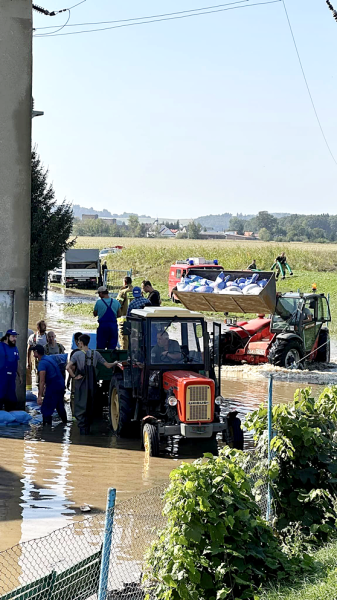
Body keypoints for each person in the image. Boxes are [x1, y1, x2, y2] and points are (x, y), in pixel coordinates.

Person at [66, 334, 117, 434]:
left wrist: (74, 377)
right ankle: (88, 430)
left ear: (80, 343)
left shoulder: (76, 355)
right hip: (92, 383)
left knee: (80, 403)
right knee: (90, 403)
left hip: (81, 382)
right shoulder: (95, 354)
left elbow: (68, 367)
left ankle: (82, 431)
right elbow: (107, 365)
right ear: (88, 342)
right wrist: (115, 362)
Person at [33, 344, 67, 426]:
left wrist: (40, 396)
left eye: (34, 351)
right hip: (61, 384)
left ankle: (46, 431)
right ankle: (65, 425)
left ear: (37, 353)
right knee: (60, 406)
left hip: (53, 386)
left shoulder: (42, 363)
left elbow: (42, 381)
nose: (33, 353)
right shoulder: (49, 358)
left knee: (46, 409)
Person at [0, 330, 22, 411]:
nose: (15, 339)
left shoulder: (15, 348)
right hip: (1, 379)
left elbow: (17, 364)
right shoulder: (0, 346)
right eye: (13, 337)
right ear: (7, 337)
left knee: (11, 402)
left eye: (15, 337)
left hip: (11, 380)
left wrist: (20, 376)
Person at [117, 276, 133, 350]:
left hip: (124, 319)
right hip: (136, 319)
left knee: (124, 339)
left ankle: (124, 356)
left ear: (125, 282)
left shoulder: (123, 292)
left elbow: (117, 304)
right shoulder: (137, 291)